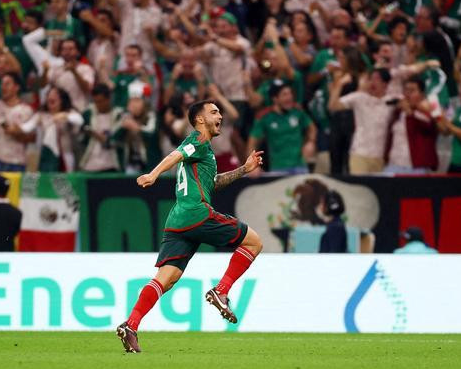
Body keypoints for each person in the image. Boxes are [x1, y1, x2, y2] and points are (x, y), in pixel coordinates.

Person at [118, 100, 265, 353]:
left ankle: (130, 325)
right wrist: (154, 174)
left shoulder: (204, 151)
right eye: (214, 112)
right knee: (254, 242)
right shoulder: (196, 140)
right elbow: (176, 155)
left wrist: (243, 169)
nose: (220, 116)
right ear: (199, 119)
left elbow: (212, 184)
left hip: (178, 220)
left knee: (167, 278)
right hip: (197, 213)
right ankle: (221, 291)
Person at [247, 83, 316, 174]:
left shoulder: (297, 111)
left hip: (300, 166)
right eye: (285, 94)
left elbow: (312, 128)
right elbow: (252, 142)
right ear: (275, 99)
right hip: (278, 168)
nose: (290, 97)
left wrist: (311, 142)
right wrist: (252, 165)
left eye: (290, 93)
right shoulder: (265, 117)